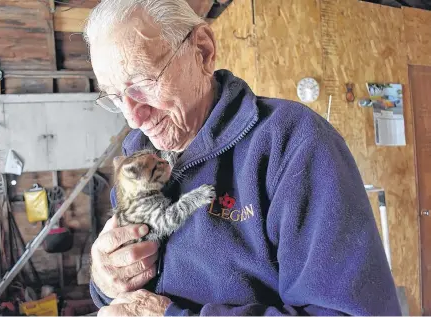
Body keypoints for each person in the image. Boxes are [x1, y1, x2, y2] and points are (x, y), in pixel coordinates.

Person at [83, 0, 402, 316]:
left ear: (203, 51)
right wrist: (104, 278)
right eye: (114, 96)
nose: (134, 118)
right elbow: (122, 282)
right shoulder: (138, 154)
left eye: (143, 82)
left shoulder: (292, 143)